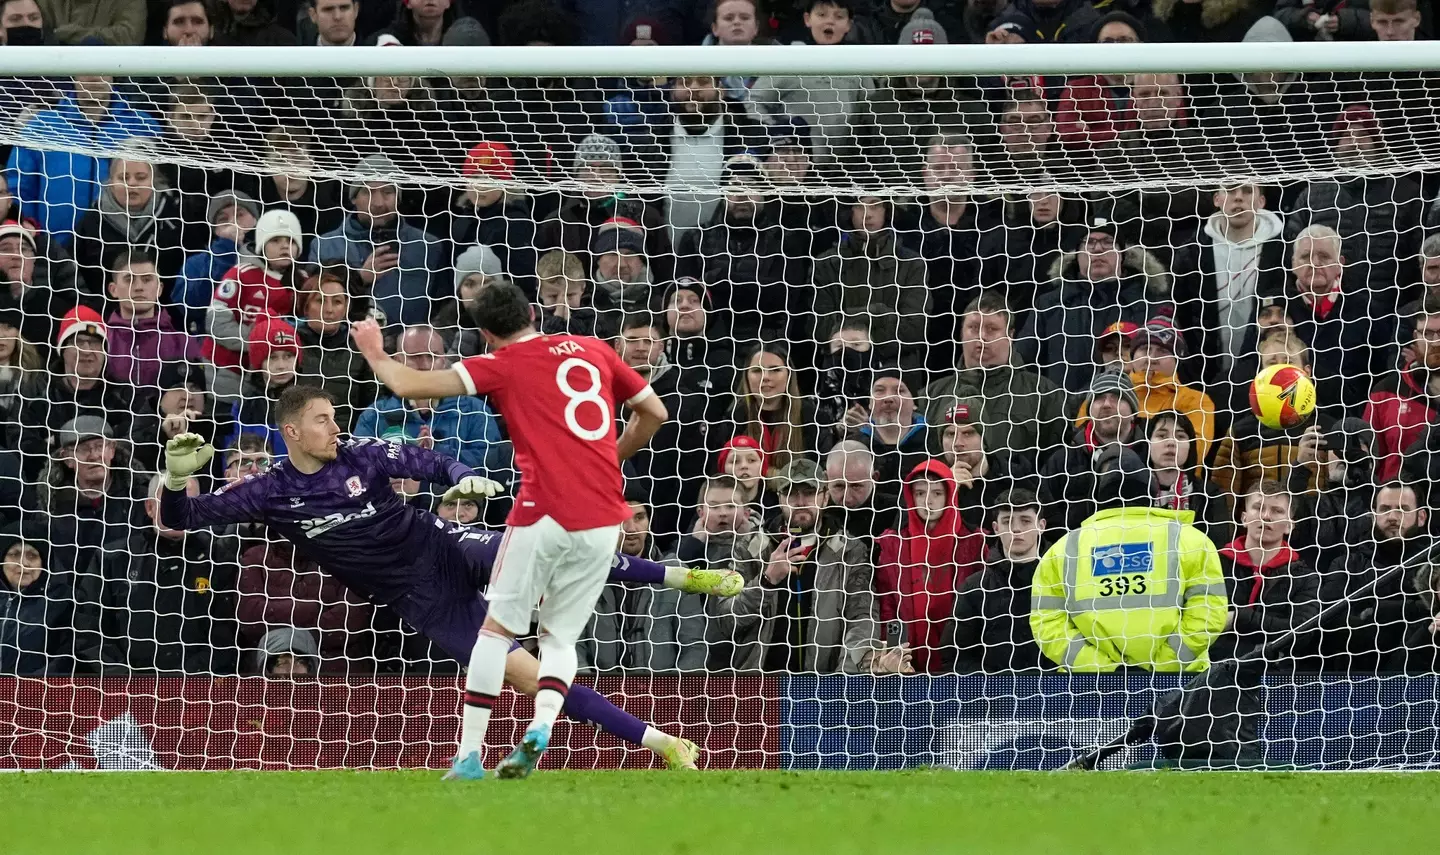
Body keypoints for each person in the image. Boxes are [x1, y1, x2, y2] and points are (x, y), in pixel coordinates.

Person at [159, 387, 737, 778]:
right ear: (291, 431)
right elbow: (184, 521)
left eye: (336, 416)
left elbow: (432, 464)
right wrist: (176, 475)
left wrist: (465, 479)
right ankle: (663, 745)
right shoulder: (269, 491)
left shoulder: (362, 453)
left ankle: (684, 574)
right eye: (322, 419)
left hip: (444, 545)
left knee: (547, 555)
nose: (337, 426)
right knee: (531, 680)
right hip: (422, 600)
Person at [352, 281, 672, 779]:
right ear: (531, 313)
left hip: (543, 511)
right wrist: (611, 455)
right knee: (560, 639)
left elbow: (408, 386)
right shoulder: (594, 348)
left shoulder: (502, 364)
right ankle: (542, 725)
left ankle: (469, 755)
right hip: (607, 515)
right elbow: (654, 412)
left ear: (484, 334)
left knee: (495, 632)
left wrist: (373, 350)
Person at [1030, 448, 1229, 672]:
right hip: (1180, 687)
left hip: (1088, 688)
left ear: (1096, 494)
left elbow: (1047, 623)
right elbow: (1209, 612)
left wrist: (1101, 667)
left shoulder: (1062, 550)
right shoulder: (1192, 540)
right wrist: (1163, 663)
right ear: (1150, 491)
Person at [707, 459, 897, 674]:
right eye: (791, 494)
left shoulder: (850, 551)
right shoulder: (749, 548)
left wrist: (845, 679)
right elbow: (726, 620)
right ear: (779, 499)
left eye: (809, 493)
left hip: (824, 685)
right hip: (760, 683)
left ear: (825, 497)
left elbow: (862, 619)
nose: (800, 502)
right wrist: (766, 582)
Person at [97, 473, 232, 674]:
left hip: (197, 686)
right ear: (150, 507)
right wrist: (122, 677)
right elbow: (90, 629)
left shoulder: (218, 559)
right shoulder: (113, 558)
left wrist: (185, 677)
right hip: (125, 688)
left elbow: (227, 635)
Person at [921, 289, 1071, 462]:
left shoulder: (1043, 394)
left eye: (992, 329)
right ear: (961, 333)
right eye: (973, 328)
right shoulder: (931, 395)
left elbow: (1056, 463)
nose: (982, 337)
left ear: (1010, 335)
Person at [6, 75, 160, 243]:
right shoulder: (40, 126)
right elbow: (19, 187)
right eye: (85, 70)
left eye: (102, 70)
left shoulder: (142, 124)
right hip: (54, 250)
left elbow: (160, 187)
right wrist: (30, 228)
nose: (94, 78)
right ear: (73, 74)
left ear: (114, 73)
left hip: (122, 249)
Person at [352, 324, 507, 477]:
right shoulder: (375, 416)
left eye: (433, 356)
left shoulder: (474, 410)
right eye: (416, 357)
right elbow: (359, 468)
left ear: (444, 360)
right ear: (398, 361)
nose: (425, 365)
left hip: (457, 500)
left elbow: (490, 465)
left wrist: (437, 451)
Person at [875, 460, 985, 673]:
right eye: (920, 493)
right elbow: (887, 604)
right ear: (910, 497)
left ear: (949, 495)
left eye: (936, 493)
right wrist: (893, 654)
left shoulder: (974, 543)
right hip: (907, 661)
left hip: (959, 662)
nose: (928, 501)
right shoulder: (893, 544)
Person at [1318, 481, 1433, 672]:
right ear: (1373, 516)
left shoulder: (1434, 566)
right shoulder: (1346, 565)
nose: (1393, 517)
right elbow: (1330, 625)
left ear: (1421, 517)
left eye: (1403, 509)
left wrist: (1375, 613)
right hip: (1356, 678)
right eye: (1385, 509)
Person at [943, 488, 1051, 673]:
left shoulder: (1064, 582)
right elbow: (954, 656)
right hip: (994, 697)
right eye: (1007, 521)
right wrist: (994, 689)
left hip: (1054, 694)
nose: (1016, 529)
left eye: (1025, 521)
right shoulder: (974, 587)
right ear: (995, 528)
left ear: (1041, 525)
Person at [1213, 480, 1320, 661]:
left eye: (1277, 511)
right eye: (1258, 507)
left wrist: (1238, 619)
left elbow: (1302, 634)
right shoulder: (1214, 564)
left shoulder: (1304, 577)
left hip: (1276, 675)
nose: (1266, 516)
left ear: (1289, 525)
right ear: (1244, 518)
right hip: (1212, 671)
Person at [1038, 370, 1142, 530]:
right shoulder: (1062, 461)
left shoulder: (1150, 454)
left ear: (1133, 412)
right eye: (1099, 398)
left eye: (1117, 397)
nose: (1107, 404)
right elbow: (1047, 514)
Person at [1146, 410, 1232, 545]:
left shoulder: (1210, 496)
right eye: (1162, 435)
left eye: (1180, 436)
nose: (1171, 442)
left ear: (1190, 446)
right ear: (1148, 443)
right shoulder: (1133, 492)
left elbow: (1218, 548)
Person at [0, 529, 77, 675]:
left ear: (44, 562)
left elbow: (64, 658)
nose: (23, 563)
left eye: (32, 556)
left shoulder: (61, 601)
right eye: (14, 554)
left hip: (37, 692)